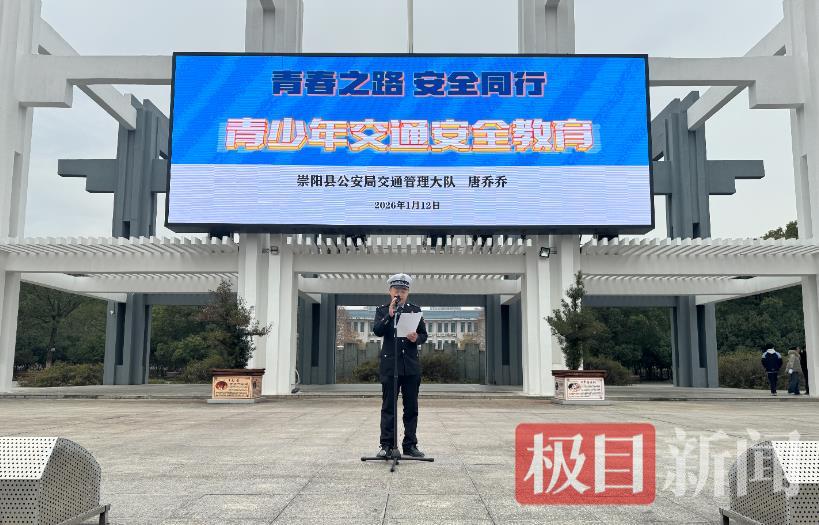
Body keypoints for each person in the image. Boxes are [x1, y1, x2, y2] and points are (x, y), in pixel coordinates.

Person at [372, 273, 428, 459]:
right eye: (396, 290)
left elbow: (424, 335)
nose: (400, 293)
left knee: (411, 408)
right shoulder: (382, 310)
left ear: (407, 293)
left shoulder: (415, 310)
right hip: (390, 366)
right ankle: (386, 445)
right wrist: (389, 315)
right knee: (388, 407)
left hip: (410, 366)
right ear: (390, 291)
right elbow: (377, 331)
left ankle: (410, 445)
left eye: (403, 290)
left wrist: (416, 338)